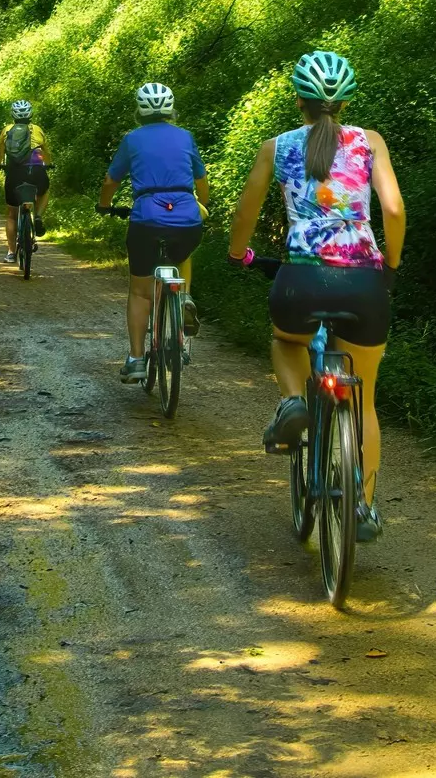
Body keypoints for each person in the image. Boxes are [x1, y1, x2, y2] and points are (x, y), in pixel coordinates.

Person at [225, 50, 404, 543]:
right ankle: (362, 507)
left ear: (298, 100)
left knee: (288, 342)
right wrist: (390, 266)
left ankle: (292, 403)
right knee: (364, 398)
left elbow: (244, 215)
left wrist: (239, 255)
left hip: (300, 278)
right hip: (363, 281)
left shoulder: (275, 146)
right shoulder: (370, 142)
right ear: (345, 102)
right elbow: (392, 208)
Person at [97, 82, 209, 382]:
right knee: (183, 251)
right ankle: (183, 297)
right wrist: (201, 205)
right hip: (187, 218)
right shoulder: (185, 136)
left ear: (140, 111)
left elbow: (111, 180)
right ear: (171, 110)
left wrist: (104, 206)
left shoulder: (132, 139)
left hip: (146, 219)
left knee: (140, 291)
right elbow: (202, 180)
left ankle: (135, 359)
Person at [0, 99, 51, 263]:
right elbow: (46, 151)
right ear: (30, 114)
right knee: (44, 191)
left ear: (13, 115)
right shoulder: (37, 129)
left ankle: (11, 253)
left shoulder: (7, 130)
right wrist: (48, 164)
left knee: (11, 214)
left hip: (14, 173)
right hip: (36, 172)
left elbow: (0, 152)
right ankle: (38, 216)